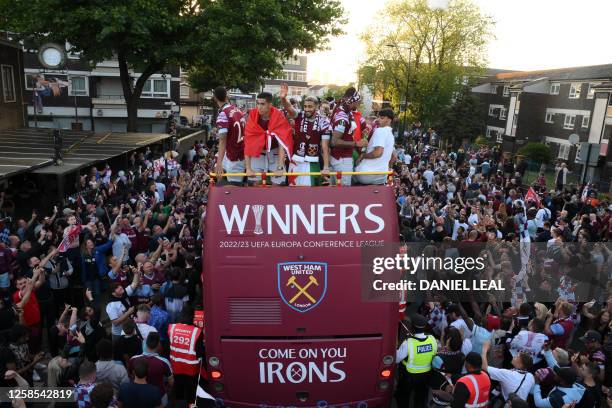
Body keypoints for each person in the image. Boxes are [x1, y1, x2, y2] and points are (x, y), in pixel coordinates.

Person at [279, 84, 331, 186]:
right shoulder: (299, 115)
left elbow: (325, 147)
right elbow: (289, 107)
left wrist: (325, 167)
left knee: (310, 194)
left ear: (316, 106)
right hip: (295, 161)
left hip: (312, 162)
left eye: (310, 106)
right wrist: (283, 98)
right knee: (293, 192)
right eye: (305, 106)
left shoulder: (324, 122)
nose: (307, 109)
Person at [244, 91, 293, 185]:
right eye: (257, 103)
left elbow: (281, 143)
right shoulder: (253, 115)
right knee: (254, 183)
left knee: (278, 184)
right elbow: (248, 141)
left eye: (263, 104)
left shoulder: (278, 116)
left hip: (275, 153)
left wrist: (280, 167)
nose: (259, 107)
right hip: (258, 152)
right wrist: (248, 168)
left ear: (270, 105)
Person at [395, 313, 437, 407]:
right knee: (420, 398)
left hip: (409, 376)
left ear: (412, 328)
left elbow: (397, 359)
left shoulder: (408, 343)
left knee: (403, 397)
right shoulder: (432, 339)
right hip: (426, 376)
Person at [329, 87, 368, 186]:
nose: (359, 104)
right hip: (341, 160)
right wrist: (356, 143)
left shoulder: (345, 111)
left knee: (335, 193)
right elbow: (334, 141)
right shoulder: (342, 117)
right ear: (352, 100)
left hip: (340, 158)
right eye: (358, 101)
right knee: (343, 193)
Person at [168, 309, 203, 404]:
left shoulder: (172, 328)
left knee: (178, 390)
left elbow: (169, 346)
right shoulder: (197, 331)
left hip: (176, 366)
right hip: (191, 369)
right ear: (192, 318)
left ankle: (179, 404)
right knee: (191, 393)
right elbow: (200, 354)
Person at [128, 332, 173, 407]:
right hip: (159, 395)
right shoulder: (164, 362)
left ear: (145, 343)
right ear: (159, 345)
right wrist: (166, 389)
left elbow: (130, 375)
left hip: (138, 395)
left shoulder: (133, 359)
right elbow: (171, 382)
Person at [213, 86, 245, 185]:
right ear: (227, 97)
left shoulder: (223, 114)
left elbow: (222, 141)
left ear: (215, 98)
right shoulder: (238, 110)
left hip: (234, 155)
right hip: (242, 151)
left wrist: (219, 164)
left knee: (233, 188)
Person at [354, 109, 396, 185]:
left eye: (382, 118)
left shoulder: (380, 131)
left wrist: (363, 156)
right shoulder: (391, 135)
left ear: (389, 120)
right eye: (378, 117)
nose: (378, 120)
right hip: (382, 176)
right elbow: (394, 157)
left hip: (367, 174)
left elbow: (377, 153)